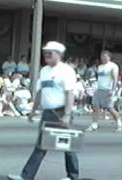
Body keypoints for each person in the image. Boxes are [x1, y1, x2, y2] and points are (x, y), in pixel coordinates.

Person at [7, 41, 79, 180]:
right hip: (47, 112)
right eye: (45, 52)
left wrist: (67, 114)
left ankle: (72, 176)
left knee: (67, 145)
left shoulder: (66, 71)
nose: (46, 54)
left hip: (61, 112)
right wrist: (33, 110)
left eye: (50, 52)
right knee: (41, 145)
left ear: (58, 54)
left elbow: (70, 93)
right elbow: (40, 92)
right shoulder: (44, 70)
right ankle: (26, 176)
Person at [86, 50, 122, 132]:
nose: (103, 58)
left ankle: (119, 124)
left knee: (110, 108)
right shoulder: (100, 67)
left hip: (108, 90)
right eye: (102, 56)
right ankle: (94, 125)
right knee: (95, 107)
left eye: (105, 56)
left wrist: (112, 90)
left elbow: (115, 79)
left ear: (109, 57)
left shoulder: (113, 66)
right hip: (99, 89)